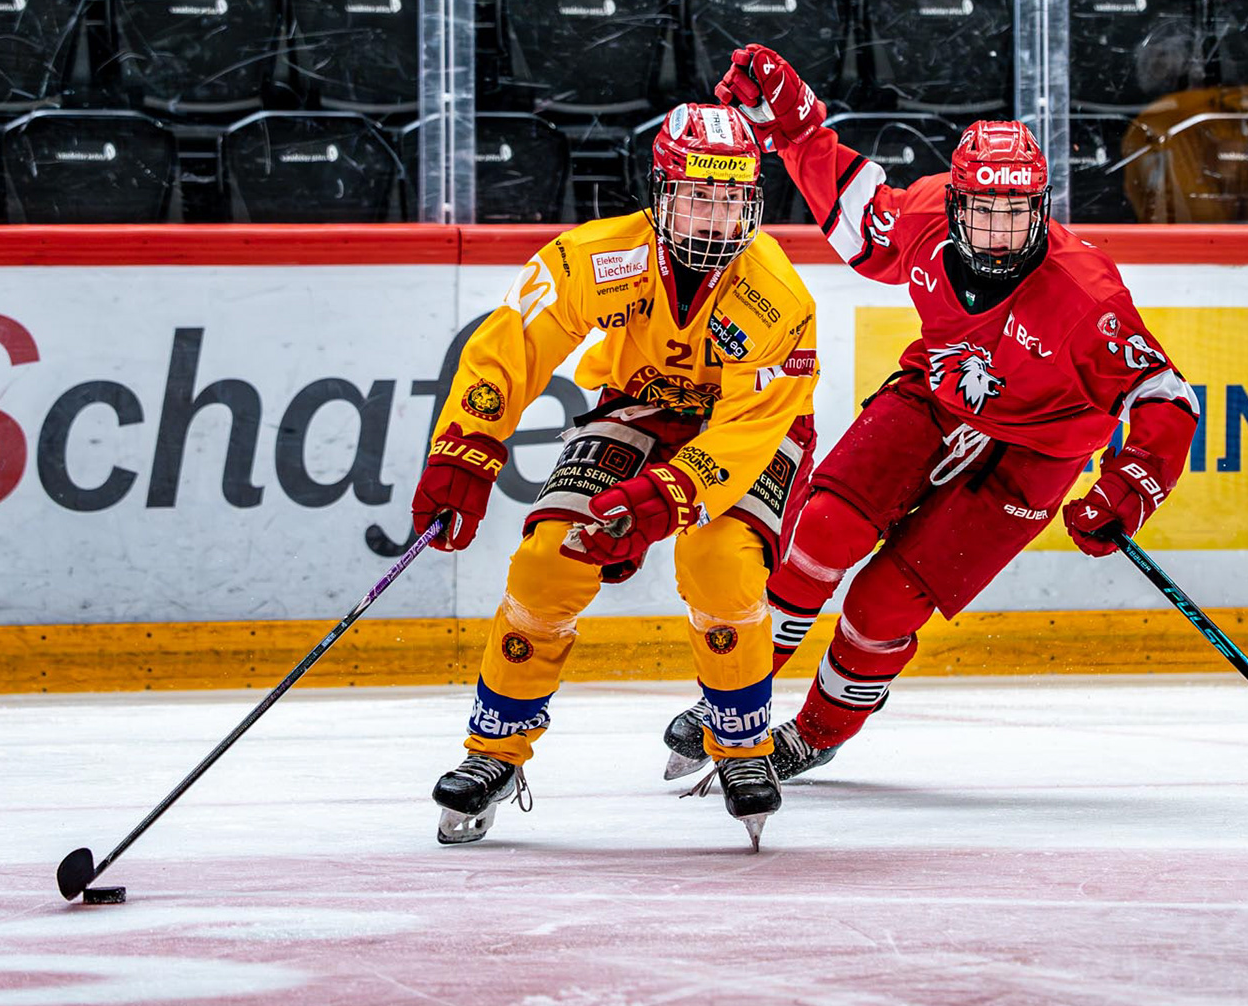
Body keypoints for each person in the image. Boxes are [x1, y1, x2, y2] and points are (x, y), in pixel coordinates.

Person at [662, 45, 1200, 781]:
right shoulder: (923, 217)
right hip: (937, 393)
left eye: (1017, 215)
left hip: (1036, 453)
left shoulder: (1086, 296)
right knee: (822, 530)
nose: (1000, 235)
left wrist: (1131, 486)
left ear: (1041, 209)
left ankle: (818, 731)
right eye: (984, 213)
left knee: (883, 605)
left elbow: (1165, 397)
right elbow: (858, 218)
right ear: (955, 204)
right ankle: (738, 691)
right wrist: (798, 130)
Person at [411, 102, 819, 849]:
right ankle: (495, 749)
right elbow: (512, 343)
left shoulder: (779, 297)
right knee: (546, 561)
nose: (714, 218)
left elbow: (750, 427)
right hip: (639, 408)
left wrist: (668, 497)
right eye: (697, 197)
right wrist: (465, 444)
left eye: (731, 200)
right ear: (661, 194)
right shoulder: (596, 258)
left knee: (721, 563)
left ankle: (742, 745)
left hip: (752, 431)